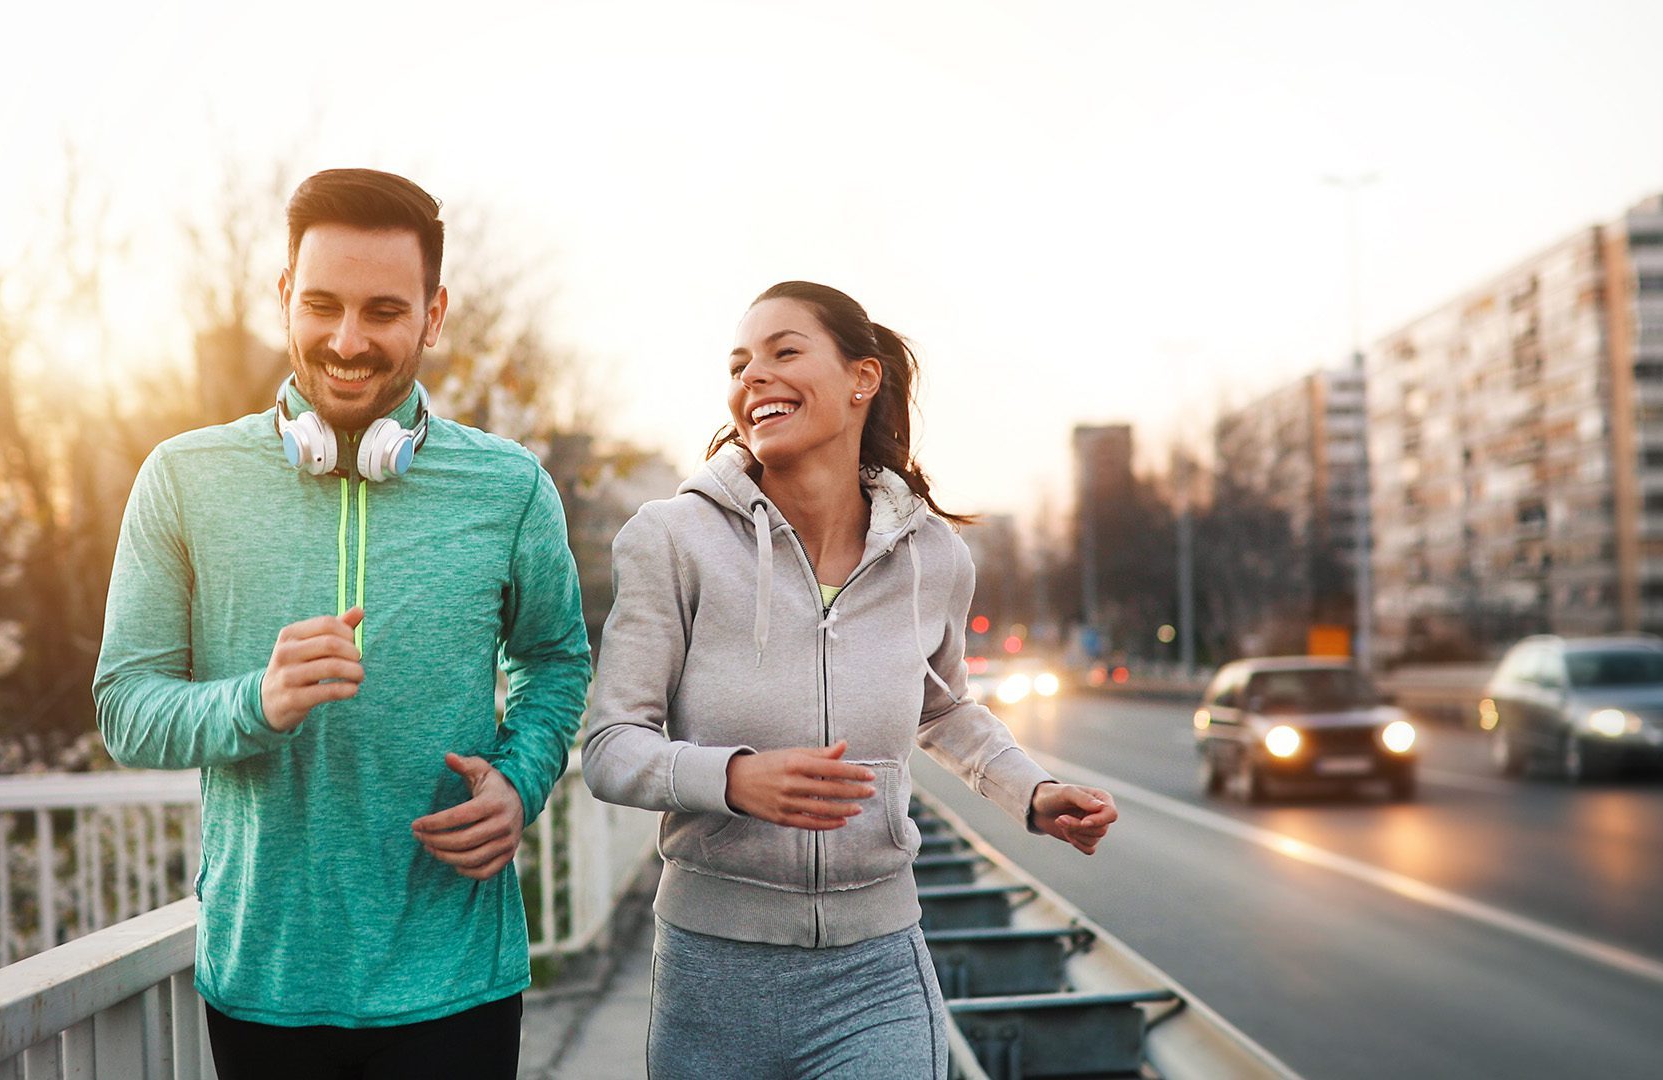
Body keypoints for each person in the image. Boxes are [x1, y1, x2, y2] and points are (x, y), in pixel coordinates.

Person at [93, 168, 590, 1080]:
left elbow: (556, 662)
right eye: (322, 304)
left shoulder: (512, 487)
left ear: (434, 316)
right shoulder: (181, 478)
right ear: (285, 298)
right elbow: (126, 705)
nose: (348, 340)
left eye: (384, 311)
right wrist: (257, 701)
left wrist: (522, 781)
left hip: (458, 981)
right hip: (265, 980)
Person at [582, 281, 1118, 1079]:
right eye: (739, 364)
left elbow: (944, 709)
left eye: (784, 352)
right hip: (715, 971)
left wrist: (1032, 793)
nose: (753, 377)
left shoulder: (934, 557)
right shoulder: (672, 539)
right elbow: (610, 747)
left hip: (878, 966)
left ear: (861, 379)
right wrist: (731, 778)